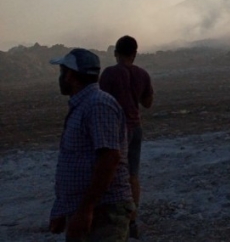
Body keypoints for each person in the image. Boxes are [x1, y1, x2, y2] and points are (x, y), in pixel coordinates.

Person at [49, 48, 135, 241]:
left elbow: (110, 158)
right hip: (88, 209)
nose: (60, 78)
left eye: (62, 72)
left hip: (103, 211)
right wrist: (65, 210)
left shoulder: (97, 105)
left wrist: (85, 210)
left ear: (70, 75)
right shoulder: (85, 104)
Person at [99, 36, 154, 239]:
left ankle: (112, 217)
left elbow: (101, 99)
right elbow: (147, 103)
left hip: (115, 129)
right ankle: (132, 220)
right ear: (135, 54)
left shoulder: (109, 74)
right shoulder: (142, 74)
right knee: (133, 174)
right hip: (136, 127)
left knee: (110, 171)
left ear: (116, 53)